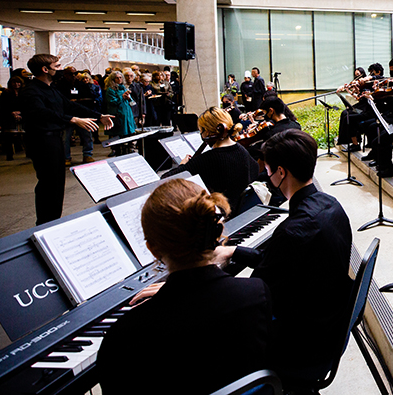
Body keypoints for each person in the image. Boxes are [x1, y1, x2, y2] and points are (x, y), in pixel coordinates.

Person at [211, 129, 354, 391]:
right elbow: (286, 262)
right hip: (327, 322)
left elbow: (257, 294)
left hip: (302, 345)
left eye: (266, 168)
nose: (265, 174)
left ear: (280, 172)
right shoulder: (330, 204)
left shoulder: (294, 230)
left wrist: (193, 285)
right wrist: (235, 251)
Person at [98, 179, 271, 395]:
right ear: (216, 234)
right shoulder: (256, 293)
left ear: (152, 249)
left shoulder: (126, 334)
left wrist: (175, 294)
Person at [20, 54, 113, 225]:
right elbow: (41, 113)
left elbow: (70, 105)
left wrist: (99, 116)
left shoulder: (51, 88)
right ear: (45, 69)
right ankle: (45, 223)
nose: (60, 68)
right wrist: (73, 120)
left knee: (56, 184)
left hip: (54, 140)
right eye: (57, 65)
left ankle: (54, 221)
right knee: (48, 184)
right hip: (42, 141)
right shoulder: (31, 90)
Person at [162, 107, 259, 211]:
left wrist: (182, 165)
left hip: (218, 215)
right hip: (240, 212)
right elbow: (255, 170)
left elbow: (165, 179)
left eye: (201, 131)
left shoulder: (207, 159)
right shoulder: (242, 151)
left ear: (207, 132)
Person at [56, 66, 97, 165]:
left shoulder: (81, 85)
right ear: (65, 74)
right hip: (67, 116)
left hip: (81, 115)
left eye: (75, 73)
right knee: (65, 138)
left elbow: (89, 98)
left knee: (87, 135)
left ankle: (88, 154)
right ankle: (66, 157)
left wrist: (78, 101)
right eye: (70, 74)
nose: (73, 76)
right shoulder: (60, 85)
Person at [104, 71, 137, 155]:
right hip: (118, 114)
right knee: (118, 135)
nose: (119, 79)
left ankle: (129, 149)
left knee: (129, 134)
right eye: (117, 78)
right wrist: (122, 97)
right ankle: (116, 150)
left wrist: (129, 98)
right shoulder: (110, 90)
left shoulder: (125, 88)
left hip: (127, 113)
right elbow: (112, 102)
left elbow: (132, 103)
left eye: (120, 77)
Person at [0, 76, 24, 160]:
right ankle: (9, 154)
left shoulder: (24, 92)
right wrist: (11, 112)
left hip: (22, 114)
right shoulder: (6, 93)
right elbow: (3, 106)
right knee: (9, 136)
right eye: (14, 83)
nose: (16, 84)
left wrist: (21, 112)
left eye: (18, 82)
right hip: (8, 116)